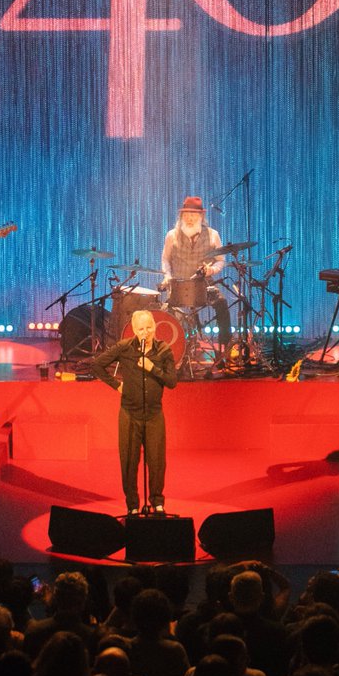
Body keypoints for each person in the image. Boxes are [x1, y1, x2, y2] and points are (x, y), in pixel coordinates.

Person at [92, 309, 178, 515]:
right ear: (134, 330)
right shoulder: (125, 347)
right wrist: (116, 385)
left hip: (154, 414)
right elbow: (97, 365)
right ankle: (132, 505)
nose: (145, 333)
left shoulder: (163, 350)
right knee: (129, 461)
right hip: (130, 414)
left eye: (149, 328)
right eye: (141, 329)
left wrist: (151, 368)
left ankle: (157, 502)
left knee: (157, 462)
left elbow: (172, 382)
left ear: (155, 327)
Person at [160, 196, 232, 357]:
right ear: (181, 216)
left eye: (194, 215)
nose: (190, 218)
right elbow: (165, 259)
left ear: (201, 216)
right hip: (179, 283)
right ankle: (174, 352)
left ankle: (226, 348)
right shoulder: (172, 235)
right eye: (186, 214)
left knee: (222, 303)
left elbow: (221, 261)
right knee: (168, 312)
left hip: (204, 283)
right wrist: (168, 276)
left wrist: (211, 270)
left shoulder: (213, 234)